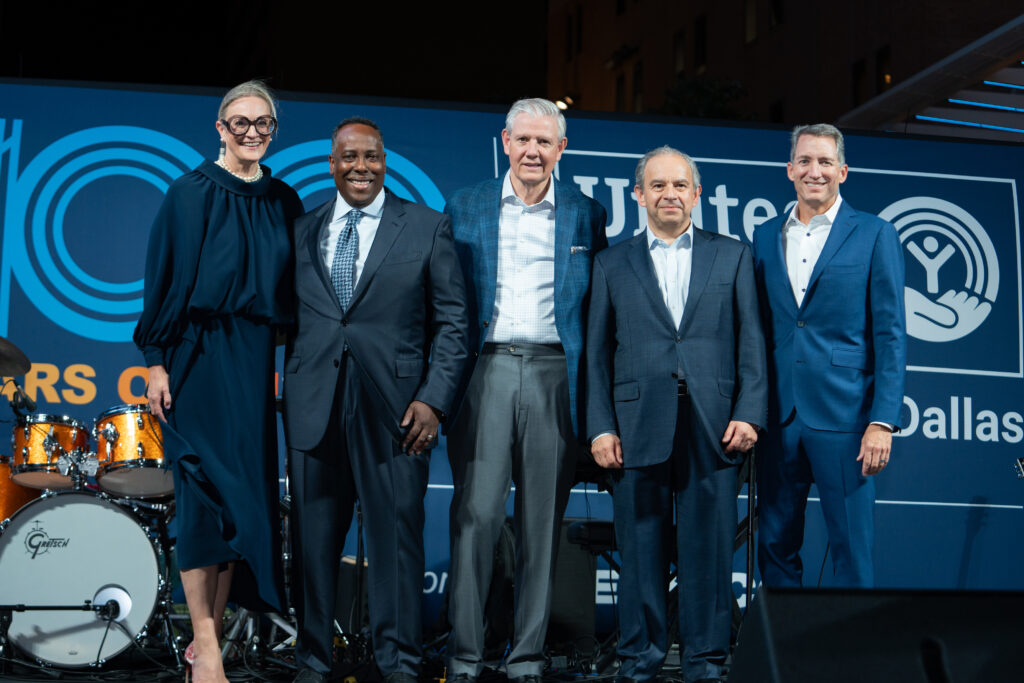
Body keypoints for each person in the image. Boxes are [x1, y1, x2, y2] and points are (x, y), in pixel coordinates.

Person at [284, 117, 470, 683]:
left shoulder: (427, 226)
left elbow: (455, 323)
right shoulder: (302, 230)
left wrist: (434, 402)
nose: (360, 167)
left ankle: (399, 664)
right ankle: (313, 661)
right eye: (348, 157)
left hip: (398, 411)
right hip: (314, 404)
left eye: (370, 156)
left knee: (395, 542)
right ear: (331, 163)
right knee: (313, 544)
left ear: (385, 160)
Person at [134, 80, 303, 683]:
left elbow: (294, 296)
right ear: (220, 128)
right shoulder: (189, 194)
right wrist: (157, 362)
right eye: (240, 122)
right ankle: (206, 644)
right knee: (204, 501)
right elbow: (164, 282)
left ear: (273, 129)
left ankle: (210, 641)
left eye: (263, 123)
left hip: (254, 363)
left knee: (247, 509)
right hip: (196, 359)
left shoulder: (285, 200)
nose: (251, 132)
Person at [586, 147, 766, 683]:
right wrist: (600, 425)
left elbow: (752, 342)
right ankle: (639, 660)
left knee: (709, 553)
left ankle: (706, 662)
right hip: (635, 423)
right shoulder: (610, 262)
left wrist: (751, 413)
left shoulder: (732, 255)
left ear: (697, 193)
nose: (670, 194)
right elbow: (596, 354)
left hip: (715, 426)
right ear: (638, 195)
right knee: (640, 550)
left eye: (680, 185)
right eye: (657, 185)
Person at [444, 97, 608, 683]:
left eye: (546, 142)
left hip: (555, 371)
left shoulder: (588, 214)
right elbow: (447, 301)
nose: (534, 151)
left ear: (561, 149)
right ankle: (464, 656)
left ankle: (527, 657)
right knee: (477, 515)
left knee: (543, 520)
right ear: (506, 142)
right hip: (483, 370)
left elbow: (598, 310)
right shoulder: (465, 206)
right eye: (524, 140)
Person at [752, 123, 907, 589]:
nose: (813, 171)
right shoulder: (764, 235)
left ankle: (852, 659)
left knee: (850, 549)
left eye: (823, 161)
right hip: (778, 417)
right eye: (804, 161)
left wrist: (882, 421)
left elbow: (891, 334)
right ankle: (787, 654)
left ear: (842, 170)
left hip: (847, 417)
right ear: (789, 170)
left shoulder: (875, 233)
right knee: (774, 546)